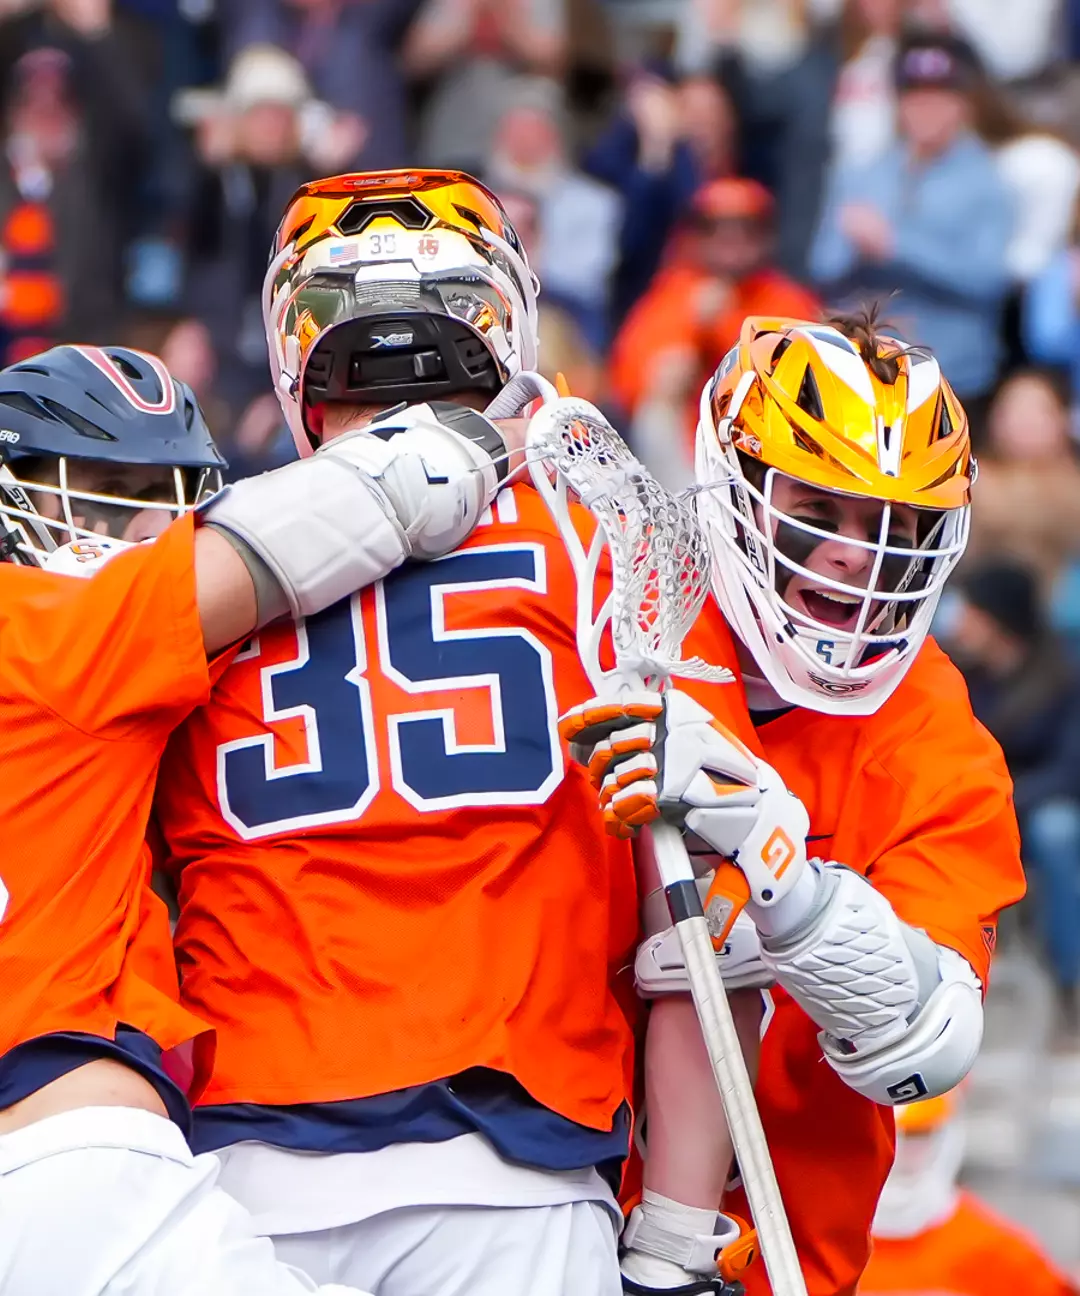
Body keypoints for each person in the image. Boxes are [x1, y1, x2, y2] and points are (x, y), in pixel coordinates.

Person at [149, 169, 765, 1296]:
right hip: (512, 1158)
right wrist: (676, 1239)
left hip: (247, 1169)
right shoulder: (602, 533)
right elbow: (702, 917)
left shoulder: (202, 559)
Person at [0, 337, 528, 1295]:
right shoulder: (43, 627)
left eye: (160, 500)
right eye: (100, 490)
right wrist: (483, 434)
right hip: (63, 1161)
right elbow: (352, 509)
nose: (141, 531)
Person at [561, 312, 1024, 1294]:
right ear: (736, 491)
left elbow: (924, 1050)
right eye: (822, 508)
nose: (858, 555)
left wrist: (780, 868)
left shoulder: (935, 734)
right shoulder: (611, 615)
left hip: (776, 1254)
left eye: (896, 528)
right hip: (546, 1202)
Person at [810, 32, 1013, 427]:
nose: (926, 108)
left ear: (962, 105)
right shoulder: (864, 172)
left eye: (939, 97)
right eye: (914, 96)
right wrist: (855, 246)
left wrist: (896, 246)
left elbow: (989, 280)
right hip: (864, 372)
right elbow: (821, 265)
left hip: (950, 376)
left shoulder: (986, 180)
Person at [942, 560, 1080, 1051]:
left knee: (1057, 830)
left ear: (998, 619)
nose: (958, 622)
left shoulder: (1064, 676)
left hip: (1042, 807)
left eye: (971, 611)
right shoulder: (962, 679)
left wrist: (1003, 799)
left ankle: (1072, 984)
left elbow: (1071, 767)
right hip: (987, 809)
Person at [609, 177, 818, 487]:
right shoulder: (674, 293)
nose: (730, 239)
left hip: (765, 451)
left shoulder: (788, 301)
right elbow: (627, 383)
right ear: (695, 235)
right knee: (655, 410)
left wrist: (718, 329)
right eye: (714, 227)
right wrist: (692, 328)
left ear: (766, 236)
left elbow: (806, 387)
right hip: (687, 452)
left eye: (745, 227)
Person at [860, 1089, 1079, 1295]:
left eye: (918, 1134)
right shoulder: (830, 1247)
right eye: (884, 1134)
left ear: (946, 1137)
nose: (898, 1151)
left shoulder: (996, 1251)